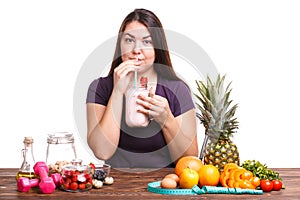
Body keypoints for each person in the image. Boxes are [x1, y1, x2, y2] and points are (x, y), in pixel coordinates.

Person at [86, 8, 198, 168]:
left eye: (146, 42)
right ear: (120, 45)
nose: (136, 50)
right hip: (115, 187)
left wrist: (166, 119)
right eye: (129, 40)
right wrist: (117, 92)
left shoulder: (177, 90)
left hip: (165, 186)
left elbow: (191, 162)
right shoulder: (100, 88)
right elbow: (102, 152)